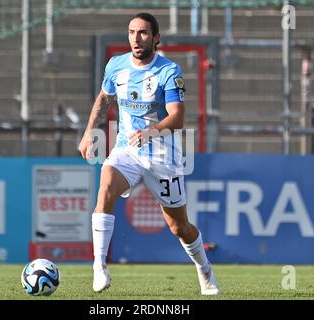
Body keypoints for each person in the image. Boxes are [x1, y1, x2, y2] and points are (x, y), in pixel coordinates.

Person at [78, 12, 220, 296]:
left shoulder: (169, 71)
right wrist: (88, 133)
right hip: (127, 150)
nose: (136, 38)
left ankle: (204, 269)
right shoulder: (116, 66)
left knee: (178, 227)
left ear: (156, 38)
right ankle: (99, 267)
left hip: (162, 157)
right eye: (132, 32)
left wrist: (150, 133)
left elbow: (177, 118)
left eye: (143, 33)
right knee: (105, 184)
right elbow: (104, 98)